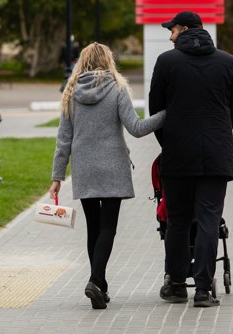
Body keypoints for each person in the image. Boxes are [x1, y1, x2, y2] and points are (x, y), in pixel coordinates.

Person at [49, 43, 166, 310]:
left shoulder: (71, 92)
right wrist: (166, 115)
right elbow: (136, 128)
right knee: (108, 227)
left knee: (93, 227)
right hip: (112, 166)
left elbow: (63, 140)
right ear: (108, 60)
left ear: (83, 62)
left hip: (84, 168)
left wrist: (57, 176)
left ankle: (99, 286)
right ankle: (95, 281)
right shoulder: (117, 88)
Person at [149, 11, 233, 307]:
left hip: (177, 155)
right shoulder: (227, 62)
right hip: (216, 155)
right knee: (208, 220)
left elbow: (157, 110)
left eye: (173, 30)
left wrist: (171, 142)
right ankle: (203, 290)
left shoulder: (167, 62)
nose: (170, 35)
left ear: (186, 29)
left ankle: (177, 285)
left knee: (177, 220)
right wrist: (217, 134)